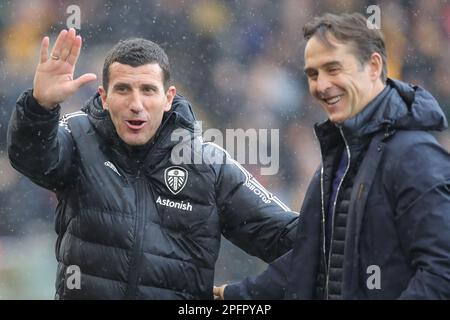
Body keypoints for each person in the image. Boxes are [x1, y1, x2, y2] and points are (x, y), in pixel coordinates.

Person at [7, 28, 298, 299]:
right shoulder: (79, 136)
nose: (136, 103)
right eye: (123, 90)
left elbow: (293, 239)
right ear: (104, 98)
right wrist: (40, 107)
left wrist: (244, 295)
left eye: (148, 90)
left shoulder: (208, 165)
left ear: (168, 98)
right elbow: (31, 159)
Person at [214, 12, 450, 300]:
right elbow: (310, 260)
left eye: (333, 69)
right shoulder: (338, 160)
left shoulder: (413, 155)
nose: (321, 85)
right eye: (313, 74)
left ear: (373, 66)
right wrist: (232, 296)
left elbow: (441, 272)